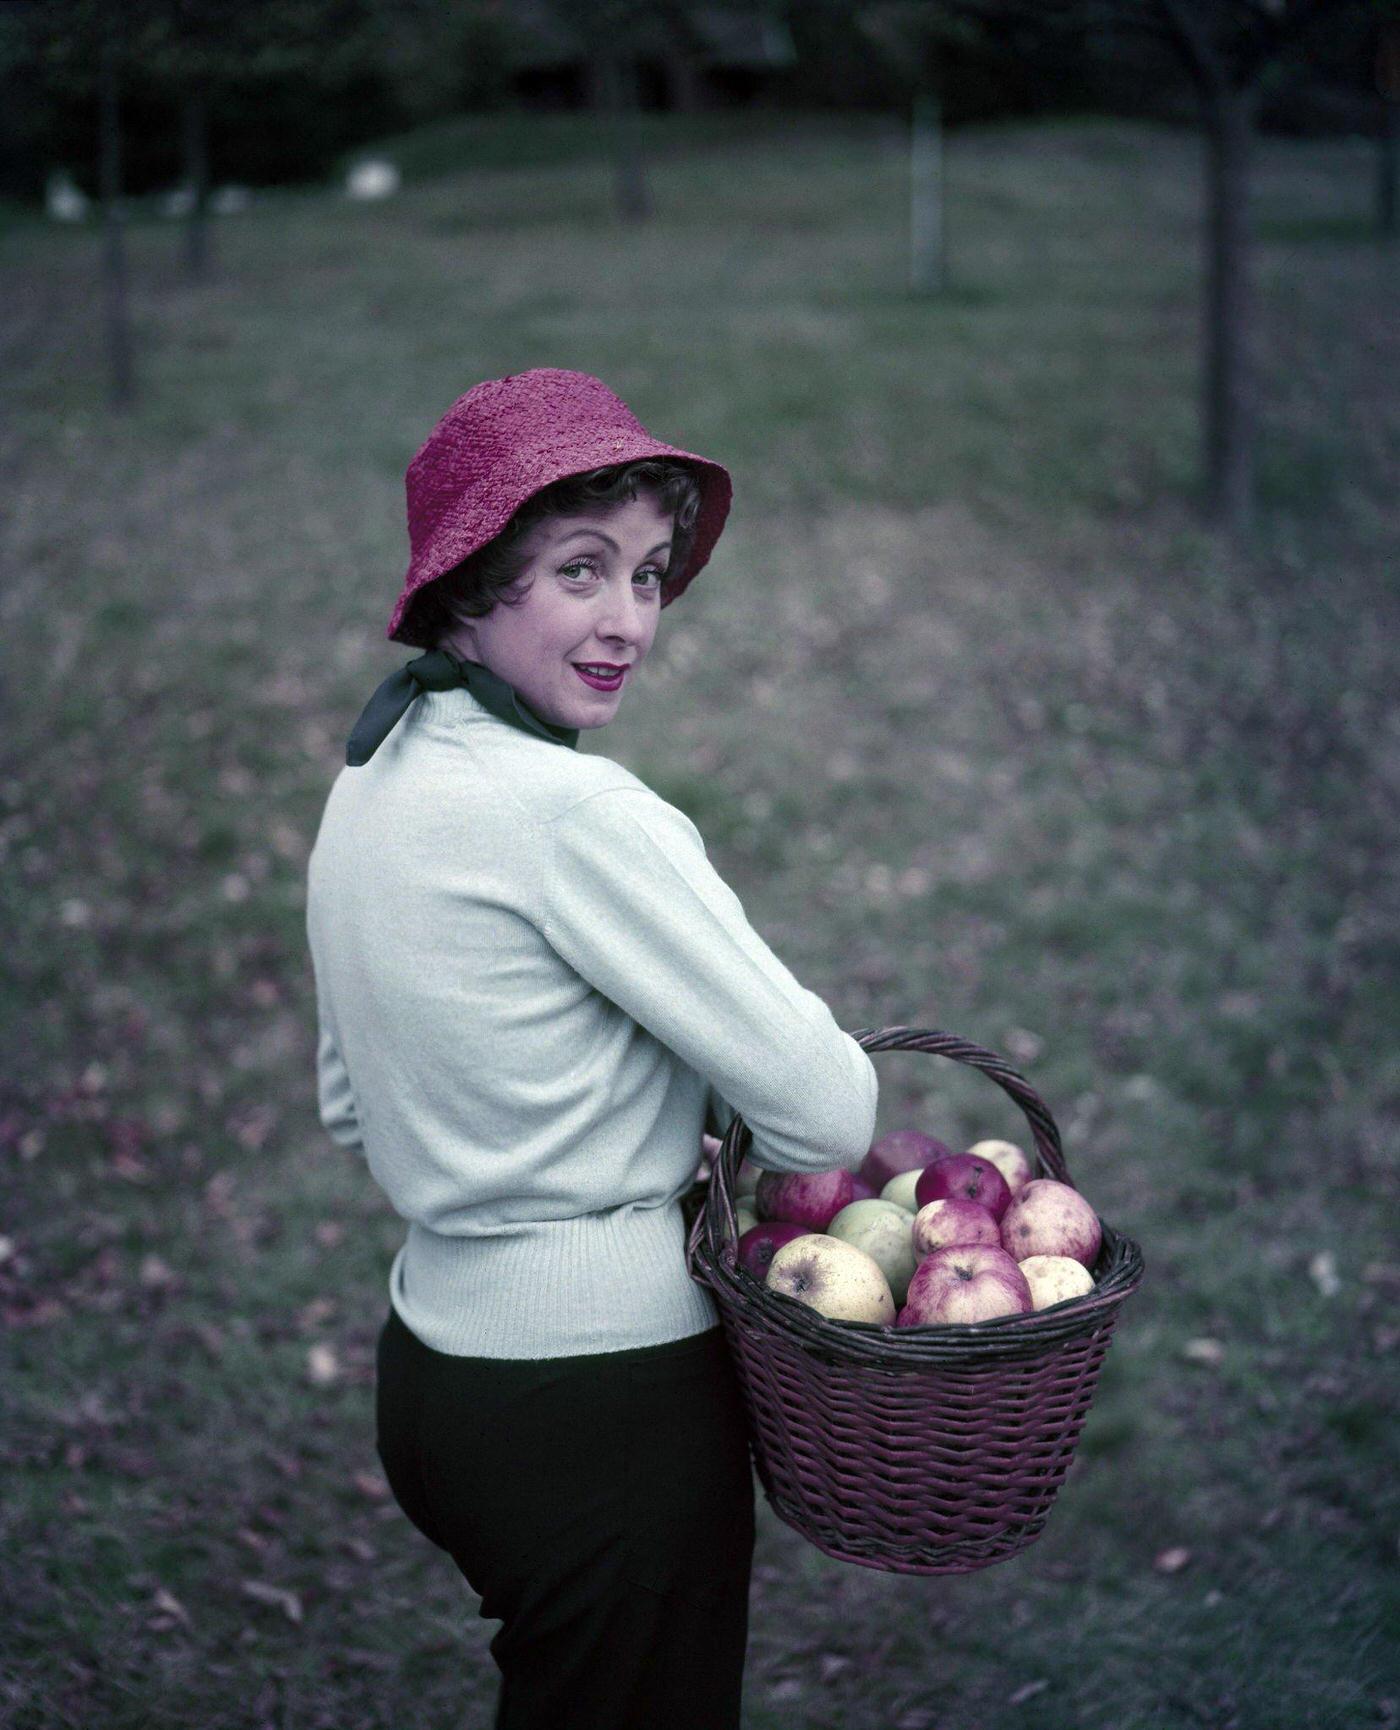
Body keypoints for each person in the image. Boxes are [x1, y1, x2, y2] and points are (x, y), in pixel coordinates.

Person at [304, 367, 879, 1730]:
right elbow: (827, 1108)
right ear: (470, 581)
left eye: (649, 573)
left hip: (438, 1373)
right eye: (579, 570)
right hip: (599, 1402)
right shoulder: (578, 817)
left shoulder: (375, 776)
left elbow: (348, 1104)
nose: (630, 619)